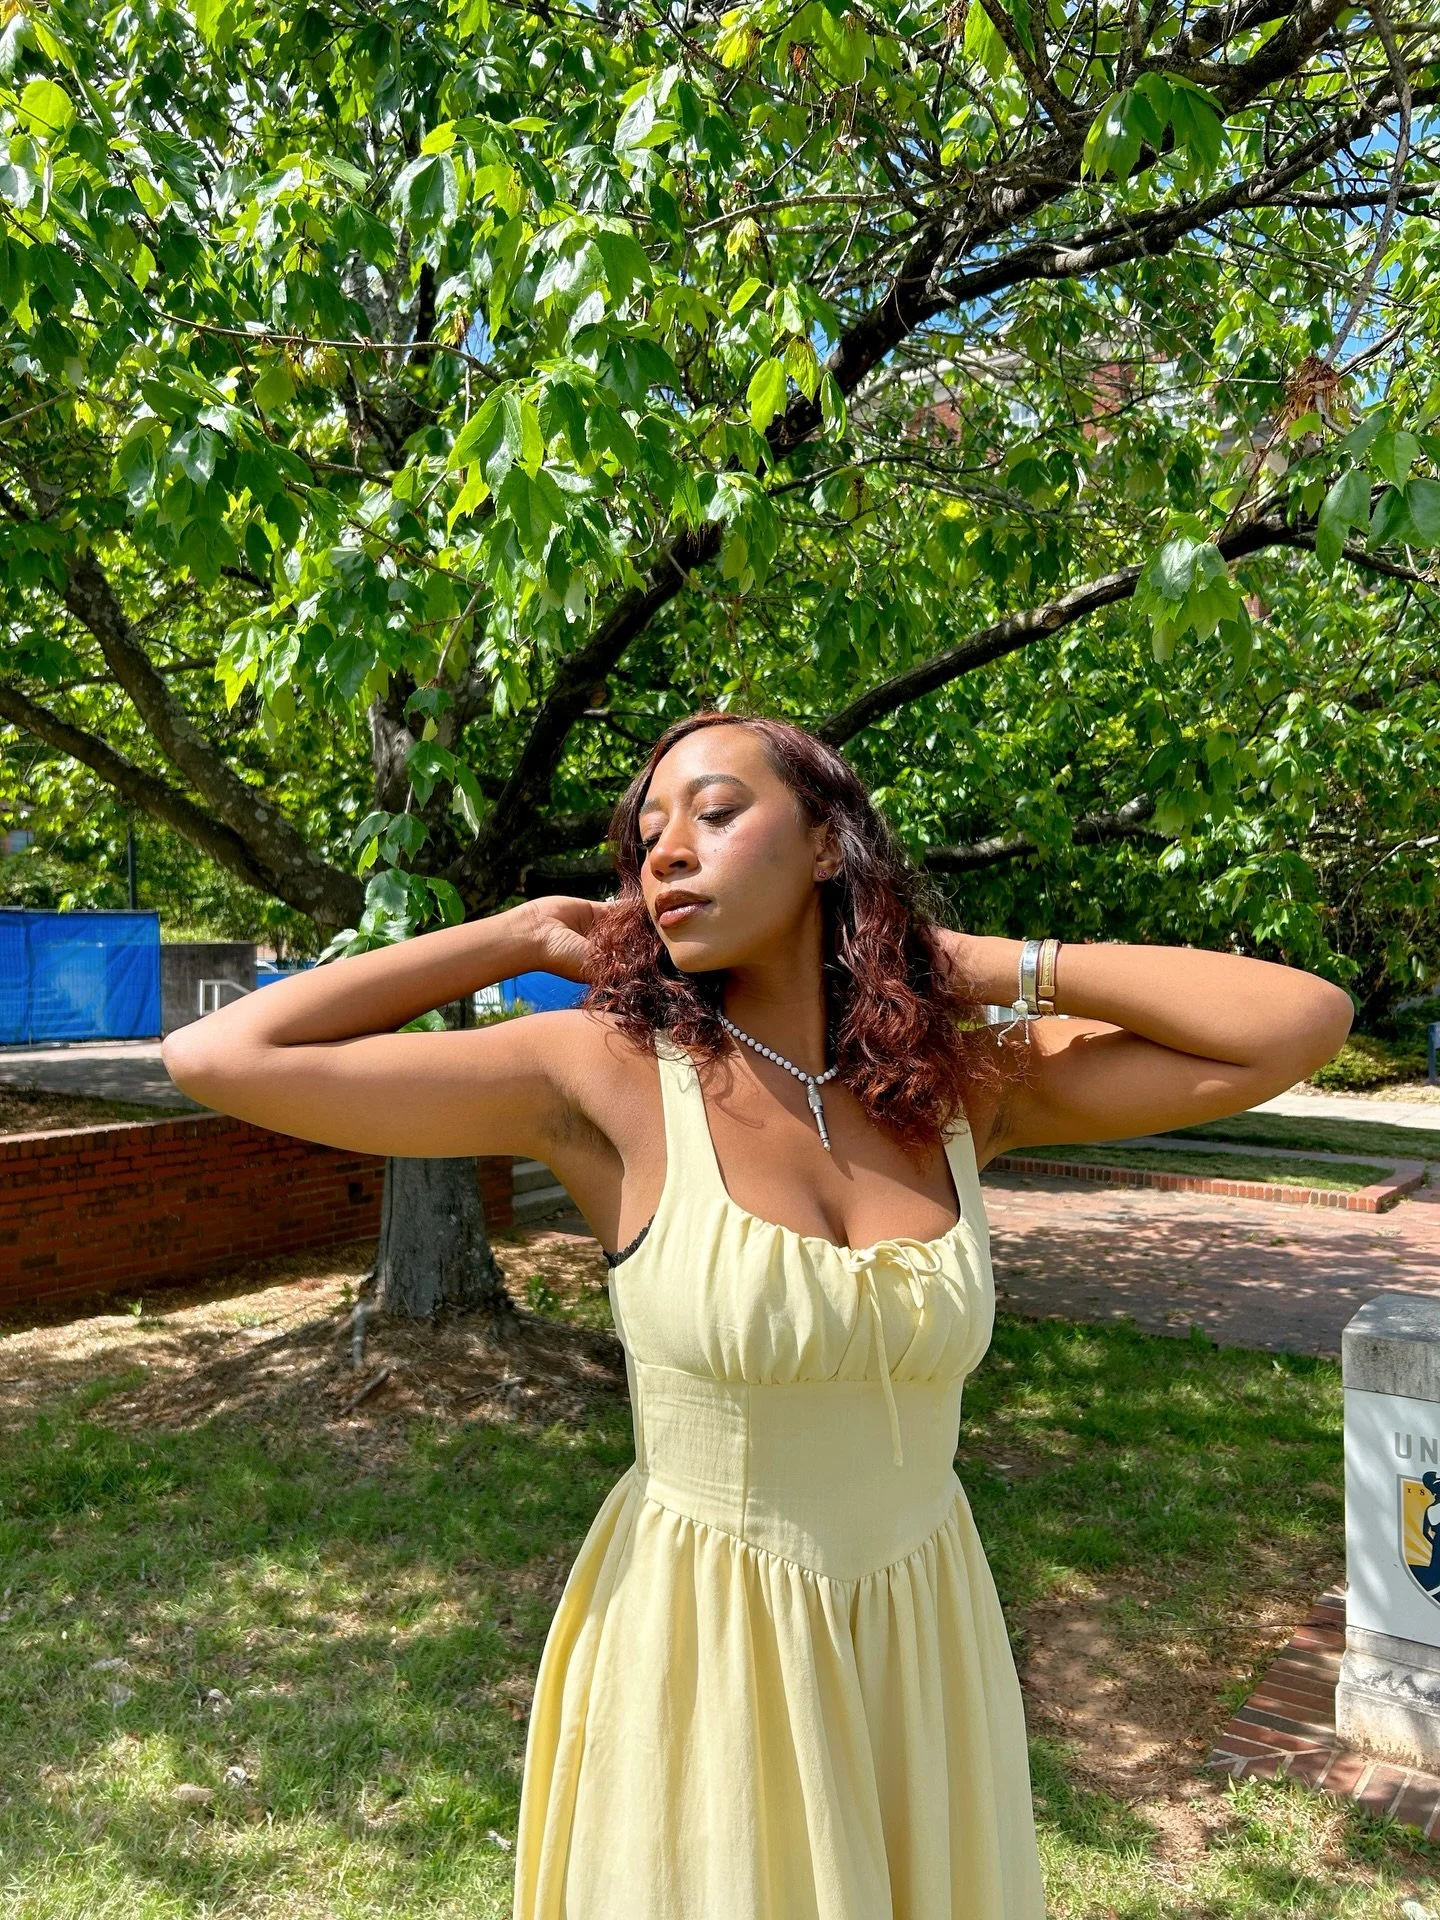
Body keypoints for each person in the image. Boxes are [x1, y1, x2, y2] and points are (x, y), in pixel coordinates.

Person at [162, 710, 1354, 1919]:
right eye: (647, 837)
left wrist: (975, 964)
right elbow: (221, 1053)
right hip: (705, 1651)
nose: (666, 852)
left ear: (828, 844)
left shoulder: (953, 1086)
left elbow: (1296, 1022)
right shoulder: (600, 1078)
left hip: (921, 1630)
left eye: (716, 813)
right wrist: (509, 936)